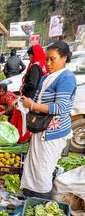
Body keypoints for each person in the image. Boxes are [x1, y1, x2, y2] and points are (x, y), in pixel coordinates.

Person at [20, 41, 77, 199]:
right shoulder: (47, 77)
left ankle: (41, 201)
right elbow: (40, 99)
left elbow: (61, 108)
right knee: (34, 167)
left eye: (53, 59)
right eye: (47, 59)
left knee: (43, 168)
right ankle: (30, 196)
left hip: (53, 131)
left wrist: (33, 105)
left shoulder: (66, 78)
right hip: (41, 128)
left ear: (64, 58)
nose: (48, 63)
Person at [11, 44, 48, 143]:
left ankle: (21, 137)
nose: (29, 58)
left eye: (30, 55)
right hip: (35, 97)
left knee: (23, 118)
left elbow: (32, 84)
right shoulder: (43, 64)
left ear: (34, 55)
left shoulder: (35, 66)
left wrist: (23, 86)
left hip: (30, 97)